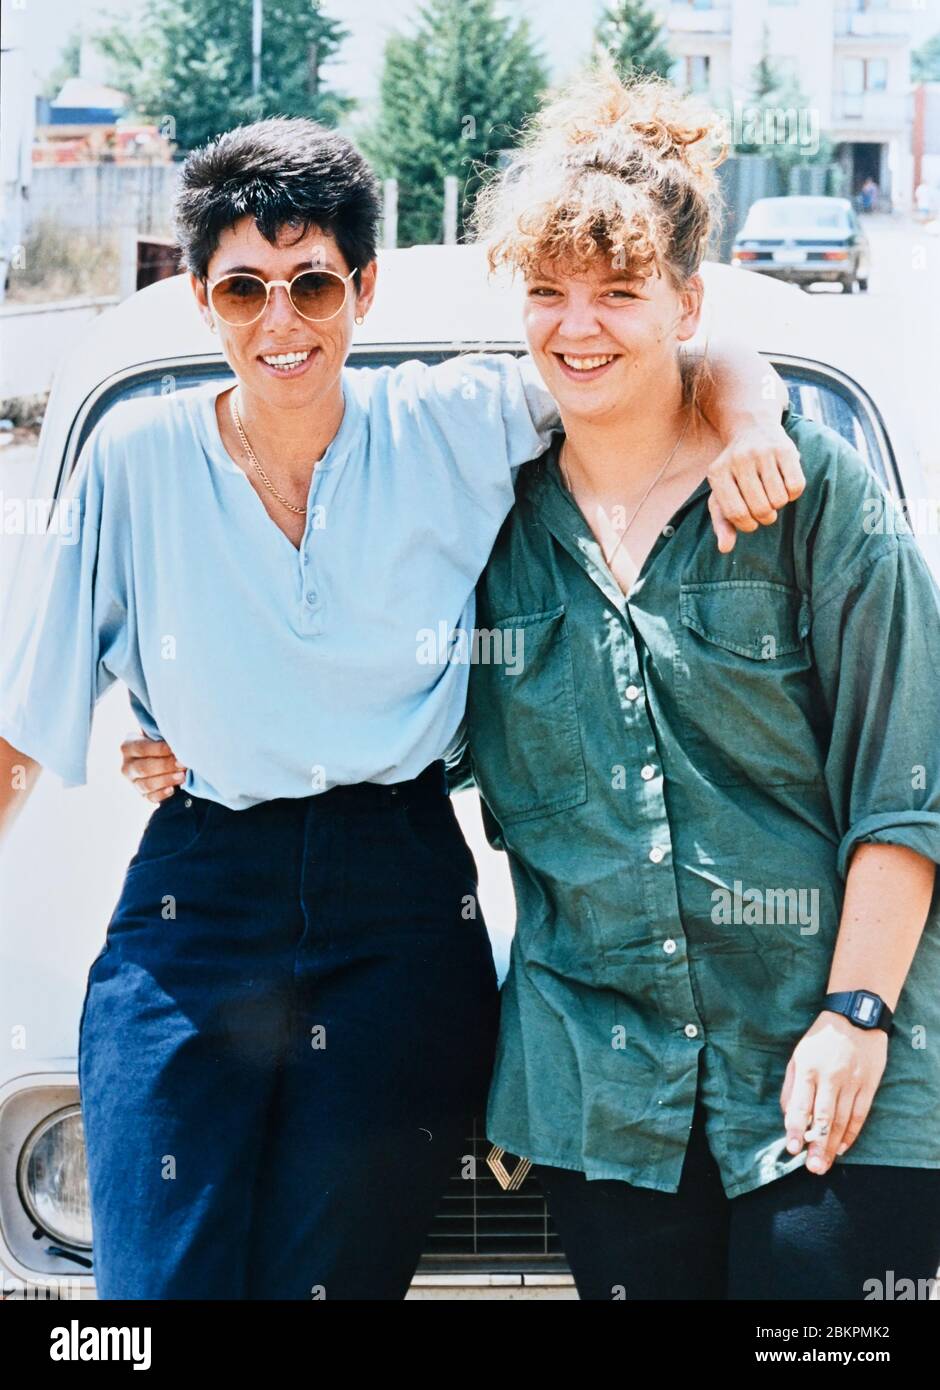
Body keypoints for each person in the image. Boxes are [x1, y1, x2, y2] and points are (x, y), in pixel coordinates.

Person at [0, 115, 796, 1300]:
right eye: (244, 290)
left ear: (360, 289)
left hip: (401, 895)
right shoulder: (131, 458)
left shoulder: (453, 422)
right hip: (198, 896)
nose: (281, 322)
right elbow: (20, 737)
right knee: (151, 1289)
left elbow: (667, 358)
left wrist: (752, 427)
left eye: (313, 282)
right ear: (200, 303)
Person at [459, 63, 940, 1300]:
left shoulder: (809, 493)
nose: (579, 327)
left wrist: (855, 1016)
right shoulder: (488, 530)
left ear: (685, 303)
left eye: (619, 293)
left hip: (836, 1064)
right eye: (551, 294)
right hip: (606, 1092)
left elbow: (907, 785)